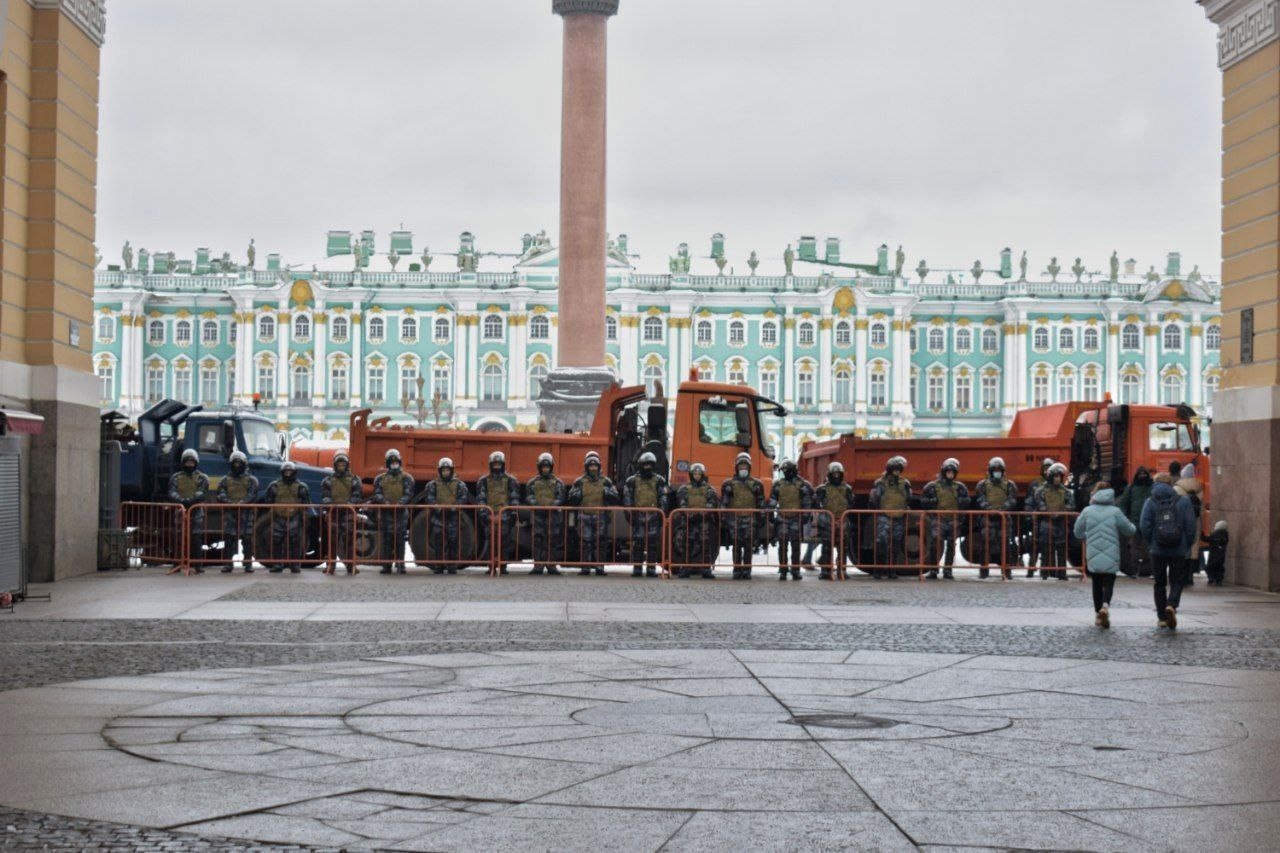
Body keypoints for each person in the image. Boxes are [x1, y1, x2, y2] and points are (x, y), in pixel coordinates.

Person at [1073, 484, 1136, 629]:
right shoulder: (1115, 511)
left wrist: (1086, 536)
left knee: (1096, 582)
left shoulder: (1087, 511)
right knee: (1109, 581)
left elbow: (1077, 531)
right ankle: (1105, 605)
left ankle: (1097, 614)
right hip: (1111, 551)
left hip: (1093, 551)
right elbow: (1129, 530)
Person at [1139, 472, 1198, 629]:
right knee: (1177, 580)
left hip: (1157, 549)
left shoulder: (1150, 501)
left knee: (1159, 583)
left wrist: (1151, 542)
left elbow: (1144, 525)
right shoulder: (1183, 501)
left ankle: (1162, 618)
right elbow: (1191, 526)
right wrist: (1187, 543)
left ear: (1155, 484)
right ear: (1171, 484)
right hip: (1178, 548)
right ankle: (1171, 604)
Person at [565, 451, 619, 575]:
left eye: (595, 466)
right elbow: (571, 498)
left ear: (599, 466)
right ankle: (585, 567)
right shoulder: (579, 481)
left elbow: (615, 496)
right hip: (584, 515)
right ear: (586, 467)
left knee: (600, 543)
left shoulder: (606, 481)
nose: (593, 468)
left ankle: (600, 567)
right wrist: (577, 495)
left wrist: (607, 492)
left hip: (600, 516)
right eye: (591, 466)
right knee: (585, 542)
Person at [624, 451, 670, 577]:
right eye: (645, 465)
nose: (647, 467)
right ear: (640, 465)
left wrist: (662, 513)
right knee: (638, 543)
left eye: (650, 465)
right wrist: (630, 514)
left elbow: (663, 498)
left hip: (653, 515)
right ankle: (637, 568)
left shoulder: (659, 480)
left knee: (652, 544)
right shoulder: (632, 481)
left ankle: (651, 569)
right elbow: (628, 499)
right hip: (638, 515)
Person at [921, 457, 969, 580]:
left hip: (953, 519)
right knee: (935, 544)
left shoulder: (960, 487)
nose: (950, 474)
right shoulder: (933, 486)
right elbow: (923, 501)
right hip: (938, 519)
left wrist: (962, 503)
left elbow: (967, 501)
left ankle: (948, 570)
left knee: (951, 546)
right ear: (944, 472)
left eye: (952, 472)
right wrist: (932, 501)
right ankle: (933, 570)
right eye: (948, 472)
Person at [720, 452, 765, 580]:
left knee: (749, 545)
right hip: (734, 519)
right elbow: (724, 502)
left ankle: (747, 570)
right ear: (736, 467)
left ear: (749, 467)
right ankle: (736, 569)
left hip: (750, 519)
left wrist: (762, 518)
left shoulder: (757, 484)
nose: (743, 469)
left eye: (745, 466)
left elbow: (761, 502)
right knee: (736, 545)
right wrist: (723, 518)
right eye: (741, 466)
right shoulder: (728, 484)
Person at [423, 456, 470, 575]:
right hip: (438, 518)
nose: (445, 472)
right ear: (440, 471)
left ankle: (452, 565)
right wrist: (437, 508)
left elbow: (463, 498)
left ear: (451, 470)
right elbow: (429, 497)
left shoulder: (459, 484)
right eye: (443, 470)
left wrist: (454, 508)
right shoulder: (432, 484)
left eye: (447, 470)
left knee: (453, 542)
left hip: (453, 517)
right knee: (439, 542)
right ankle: (439, 565)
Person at [371, 448, 415, 574]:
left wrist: (400, 504)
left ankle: (401, 565)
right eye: (391, 462)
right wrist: (385, 503)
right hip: (386, 513)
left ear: (400, 462)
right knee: (387, 539)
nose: (394, 464)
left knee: (400, 539)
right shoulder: (380, 479)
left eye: (396, 461)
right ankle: (386, 565)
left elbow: (409, 493)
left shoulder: (407, 478)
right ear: (387, 463)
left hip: (400, 513)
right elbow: (377, 493)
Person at [769, 458, 814, 581]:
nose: (785, 472)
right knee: (782, 545)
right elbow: (773, 501)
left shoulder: (802, 484)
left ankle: (795, 570)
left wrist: (805, 516)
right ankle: (783, 570)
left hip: (796, 518)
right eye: (783, 470)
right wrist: (770, 515)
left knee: (796, 546)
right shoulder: (778, 484)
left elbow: (807, 502)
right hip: (782, 518)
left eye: (786, 470)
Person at [476, 451, 519, 575]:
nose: (497, 466)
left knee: (505, 541)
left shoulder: (511, 480)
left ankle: (503, 565)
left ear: (503, 464)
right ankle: (491, 566)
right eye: (494, 464)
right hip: (490, 514)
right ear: (490, 464)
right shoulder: (483, 481)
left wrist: (512, 513)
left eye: (499, 464)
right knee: (490, 541)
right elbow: (481, 498)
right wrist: (483, 512)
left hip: (504, 514)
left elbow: (514, 497)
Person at [974, 456, 1018, 579]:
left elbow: (1012, 499)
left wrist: (1002, 509)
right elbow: (980, 499)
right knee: (985, 545)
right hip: (988, 519)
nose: (997, 472)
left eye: (999, 470)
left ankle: (1006, 571)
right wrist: (989, 510)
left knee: (1006, 545)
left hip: (1004, 519)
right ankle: (983, 571)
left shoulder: (1009, 485)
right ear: (990, 471)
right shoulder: (982, 485)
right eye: (995, 470)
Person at [868, 455, 911, 579]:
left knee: (896, 544)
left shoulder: (905, 483)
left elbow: (908, 498)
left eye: (899, 469)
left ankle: (892, 570)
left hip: (898, 516)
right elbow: (874, 499)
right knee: (881, 542)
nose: (897, 471)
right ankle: (879, 570)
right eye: (895, 469)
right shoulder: (880, 482)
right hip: (884, 516)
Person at [167, 448, 209, 573]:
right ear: (183, 463)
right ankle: (176, 564)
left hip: (196, 512)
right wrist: (181, 500)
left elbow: (202, 492)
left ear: (196, 462)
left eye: (192, 462)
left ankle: (198, 565)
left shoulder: (202, 477)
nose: (189, 465)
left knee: (196, 538)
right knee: (179, 538)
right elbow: (171, 491)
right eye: (187, 462)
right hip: (180, 511)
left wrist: (191, 501)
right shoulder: (176, 477)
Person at [216, 450, 258, 573]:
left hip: (246, 513)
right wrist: (228, 502)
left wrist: (242, 503)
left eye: (239, 463)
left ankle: (248, 564)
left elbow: (252, 494)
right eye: (235, 463)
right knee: (229, 538)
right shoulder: (225, 480)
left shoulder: (251, 479)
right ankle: (228, 564)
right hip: (230, 513)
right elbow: (220, 493)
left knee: (247, 539)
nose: (237, 466)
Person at [674, 462, 719, 578]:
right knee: (687, 545)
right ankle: (685, 568)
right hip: (689, 521)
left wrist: (703, 514)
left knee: (705, 545)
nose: (697, 475)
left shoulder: (709, 489)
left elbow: (712, 503)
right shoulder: (684, 488)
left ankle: (706, 569)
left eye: (699, 473)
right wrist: (690, 515)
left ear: (703, 475)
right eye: (695, 473)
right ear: (691, 474)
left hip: (704, 521)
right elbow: (681, 503)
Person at [320, 452, 362, 575]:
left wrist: (348, 504)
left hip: (348, 512)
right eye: (339, 464)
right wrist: (331, 506)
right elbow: (325, 496)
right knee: (332, 540)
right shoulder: (328, 480)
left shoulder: (354, 480)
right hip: (334, 513)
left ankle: (350, 565)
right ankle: (331, 565)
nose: (341, 466)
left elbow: (357, 495)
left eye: (343, 464)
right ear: (335, 465)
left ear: (347, 465)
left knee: (349, 540)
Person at [264, 461, 309, 573]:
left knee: (295, 541)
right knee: (276, 540)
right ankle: (277, 564)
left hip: (294, 516)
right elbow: (268, 501)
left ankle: (295, 565)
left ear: (294, 472)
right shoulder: (274, 486)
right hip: (278, 517)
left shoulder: (301, 487)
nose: (288, 473)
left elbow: (306, 503)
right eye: (286, 471)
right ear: (282, 472)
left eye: (290, 471)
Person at [524, 452, 565, 576]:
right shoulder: (532, 482)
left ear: (551, 467)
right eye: (543, 467)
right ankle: (538, 565)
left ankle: (551, 565)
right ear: (539, 467)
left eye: (547, 467)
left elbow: (561, 497)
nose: (545, 469)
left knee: (552, 540)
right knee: (537, 540)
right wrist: (537, 505)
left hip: (553, 516)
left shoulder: (558, 482)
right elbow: (529, 496)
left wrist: (552, 506)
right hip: (538, 515)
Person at [813, 461, 854, 581]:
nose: (836, 476)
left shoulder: (847, 488)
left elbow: (851, 503)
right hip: (827, 521)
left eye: (838, 474)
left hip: (842, 519)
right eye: (834, 474)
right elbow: (815, 502)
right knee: (826, 546)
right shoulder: (822, 489)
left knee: (843, 547)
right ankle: (825, 570)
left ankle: (842, 570)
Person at [1033, 462, 1073, 580]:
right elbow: (1040, 504)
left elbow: (1071, 504)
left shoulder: (1066, 491)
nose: (1057, 479)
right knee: (1046, 548)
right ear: (1050, 477)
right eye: (1055, 476)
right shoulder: (1041, 490)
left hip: (1060, 523)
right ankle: (1044, 573)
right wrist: (1049, 513)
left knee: (1061, 549)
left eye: (1059, 476)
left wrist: (1062, 512)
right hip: (1047, 523)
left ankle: (1062, 573)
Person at [1116, 467, 1154, 578]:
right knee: (1136, 547)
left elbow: (1123, 503)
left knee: (1144, 548)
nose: (1142, 476)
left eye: (1144, 474)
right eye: (1140, 474)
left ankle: (1144, 570)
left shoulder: (1149, 487)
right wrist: (1125, 517)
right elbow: (1123, 503)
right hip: (1136, 522)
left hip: (1146, 522)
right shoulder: (1132, 488)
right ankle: (1136, 571)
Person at [1023, 457, 1055, 577]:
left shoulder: (1057, 484)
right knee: (1035, 545)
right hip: (1037, 519)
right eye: (1045, 468)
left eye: (1049, 469)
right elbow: (1029, 501)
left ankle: (1049, 572)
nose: (1047, 471)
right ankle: (1031, 571)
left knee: (1050, 546)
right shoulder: (1035, 483)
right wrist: (1029, 516)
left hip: (1051, 519)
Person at [1175, 463, 1204, 588]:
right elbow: (1202, 508)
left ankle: (1180, 577)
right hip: (1196, 520)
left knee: (1182, 547)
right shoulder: (1200, 487)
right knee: (1193, 547)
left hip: (1181, 520)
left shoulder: (1177, 488)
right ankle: (1190, 576)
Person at [1201, 519, 1228, 586]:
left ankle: (1212, 578)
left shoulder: (1215, 534)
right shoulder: (1225, 535)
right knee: (1219, 568)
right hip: (1221, 556)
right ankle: (1219, 580)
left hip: (1213, 555)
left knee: (1209, 568)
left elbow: (1207, 539)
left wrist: (1202, 535)